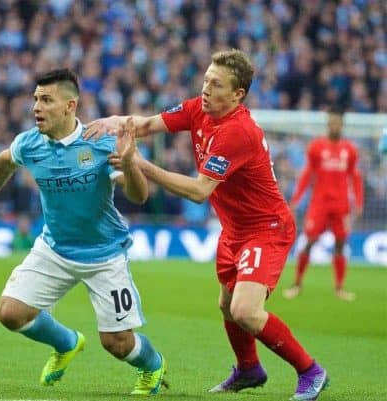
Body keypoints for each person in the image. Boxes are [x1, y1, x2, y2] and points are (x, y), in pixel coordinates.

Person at [86, 49, 329, 401]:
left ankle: (311, 372)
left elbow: (200, 191)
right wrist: (117, 121)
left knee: (245, 310)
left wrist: (141, 165)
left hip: (266, 229)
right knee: (226, 304)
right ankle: (249, 370)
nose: (206, 89)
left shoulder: (238, 132)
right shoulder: (198, 108)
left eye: (216, 85)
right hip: (234, 229)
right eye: (205, 80)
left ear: (237, 94)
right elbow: (148, 124)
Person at [0, 69, 168, 396]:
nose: (36, 107)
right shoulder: (29, 143)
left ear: (69, 106)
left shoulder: (103, 142)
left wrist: (131, 163)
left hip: (104, 255)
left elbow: (139, 195)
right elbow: (5, 160)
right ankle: (67, 343)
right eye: (35, 99)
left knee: (117, 344)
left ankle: (153, 365)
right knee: (11, 313)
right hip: (55, 249)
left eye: (46, 100)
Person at [283, 108, 363, 302]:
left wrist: (358, 201)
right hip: (319, 204)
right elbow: (307, 174)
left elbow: (355, 176)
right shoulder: (317, 147)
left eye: (338, 122)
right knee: (308, 242)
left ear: (342, 125)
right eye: (332, 122)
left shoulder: (349, 149)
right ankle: (297, 283)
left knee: (340, 244)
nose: (335, 125)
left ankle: (339, 287)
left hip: (341, 206)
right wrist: (296, 199)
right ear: (328, 123)